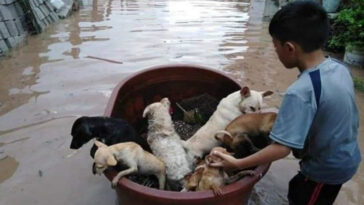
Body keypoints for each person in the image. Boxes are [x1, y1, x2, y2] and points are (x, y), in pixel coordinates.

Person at [208, 1, 361, 204]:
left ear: (289, 48)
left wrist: (238, 163)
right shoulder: (339, 68)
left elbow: (282, 149)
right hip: (348, 156)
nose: (275, 51)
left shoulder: (300, 92)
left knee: (303, 196)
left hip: (325, 170)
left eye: (275, 45)